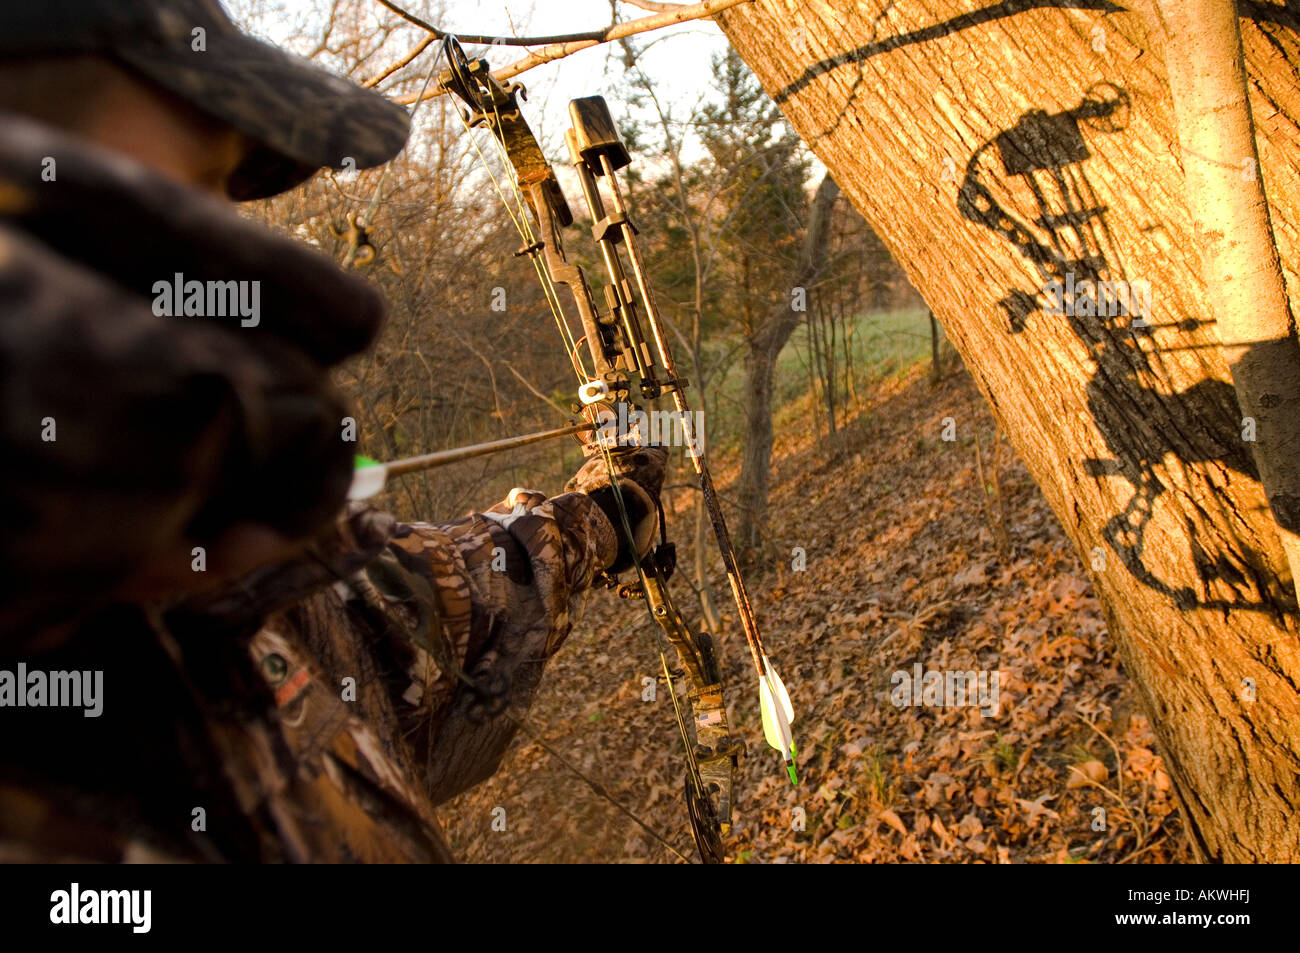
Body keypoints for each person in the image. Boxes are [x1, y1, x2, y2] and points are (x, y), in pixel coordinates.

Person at [0, 0, 666, 862]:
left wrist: (608, 513)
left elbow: (416, 610)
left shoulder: (252, 584)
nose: (227, 234)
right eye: (198, 182)